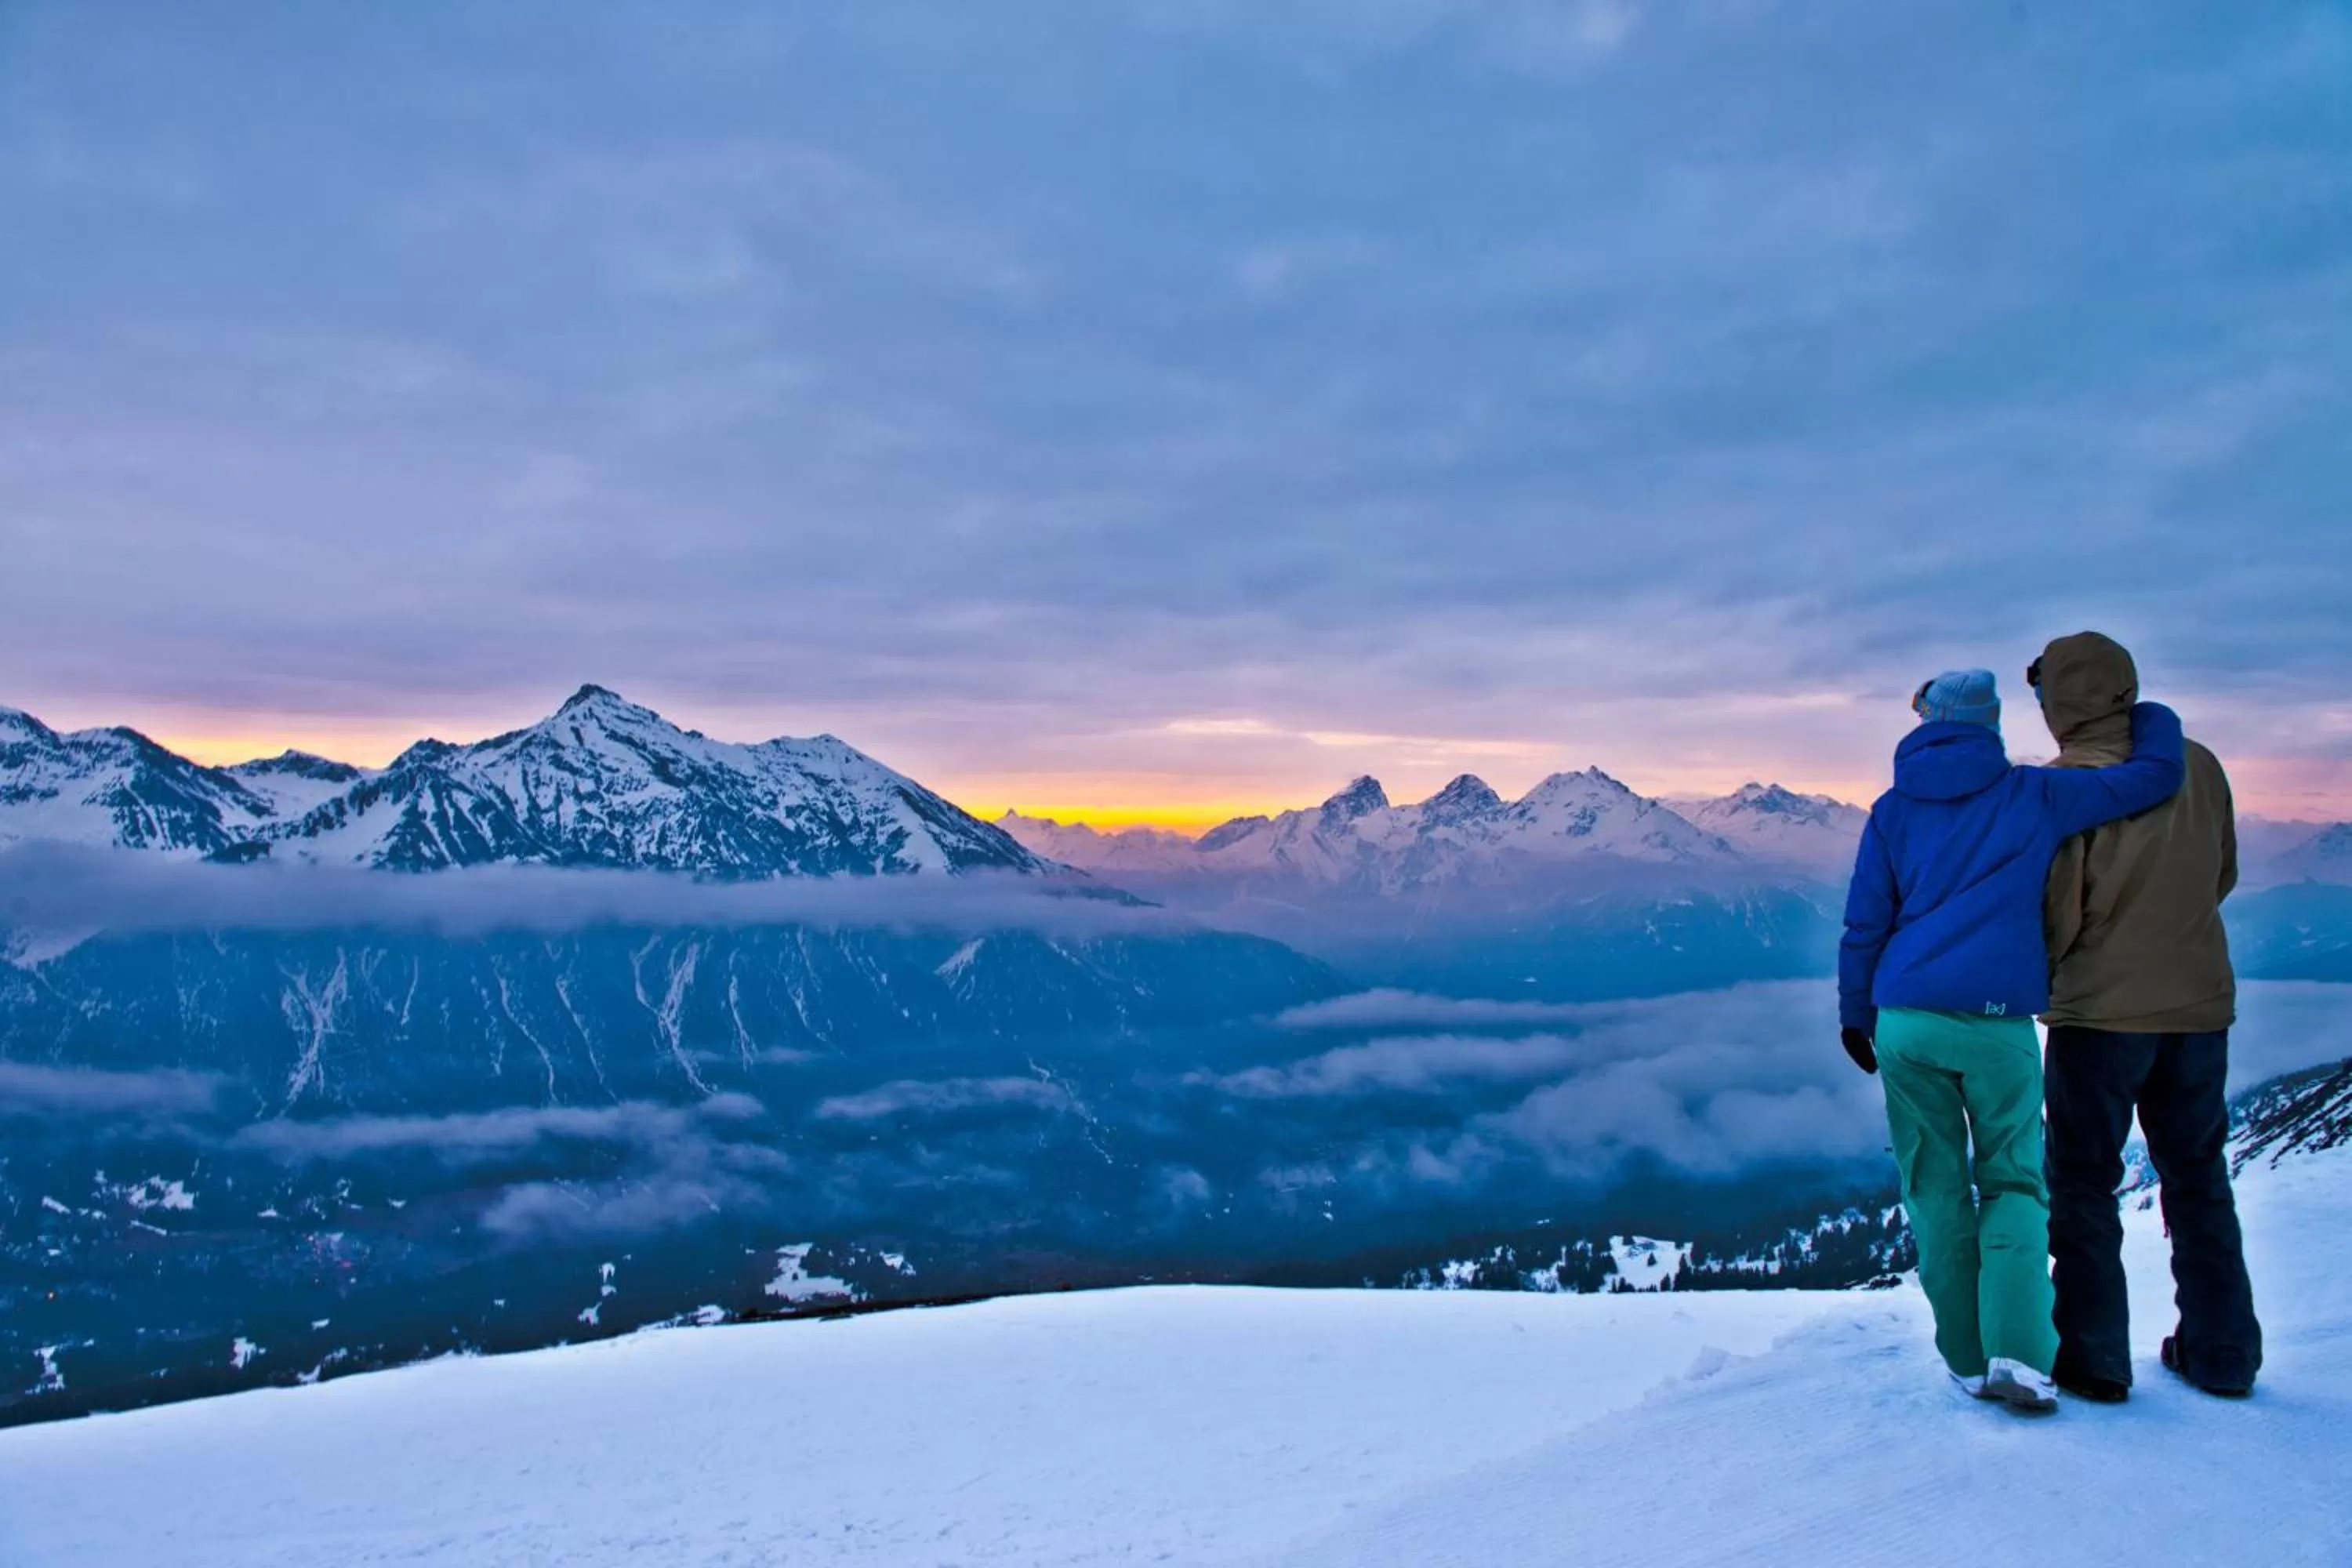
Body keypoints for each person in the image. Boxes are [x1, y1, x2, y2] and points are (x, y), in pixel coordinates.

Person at [1838, 667, 2185, 1414]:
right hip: (1996, 1026)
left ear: (1926, 723)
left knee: (1933, 1187)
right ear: (1991, 724)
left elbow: (1866, 922)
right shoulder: (2036, 796)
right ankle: (2022, 1356)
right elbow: (2152, 778)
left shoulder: (1892, 811)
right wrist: (2146, 710)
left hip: (1904, 1021)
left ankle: (1964, 1358)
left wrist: (1855, 1015)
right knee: (2014, 1183)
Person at [2034, 631, 2263, 1403]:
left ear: (2062, 696)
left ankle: (2095, 1354)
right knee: (2199, 1174)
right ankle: (2223, 1348)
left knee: (2083, 1180)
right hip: (2199, 1005)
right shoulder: (2200, 765)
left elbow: (2058, 909)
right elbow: (2222, 869)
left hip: (2100, 1015)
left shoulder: (2070, 783)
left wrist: (2053, 976)